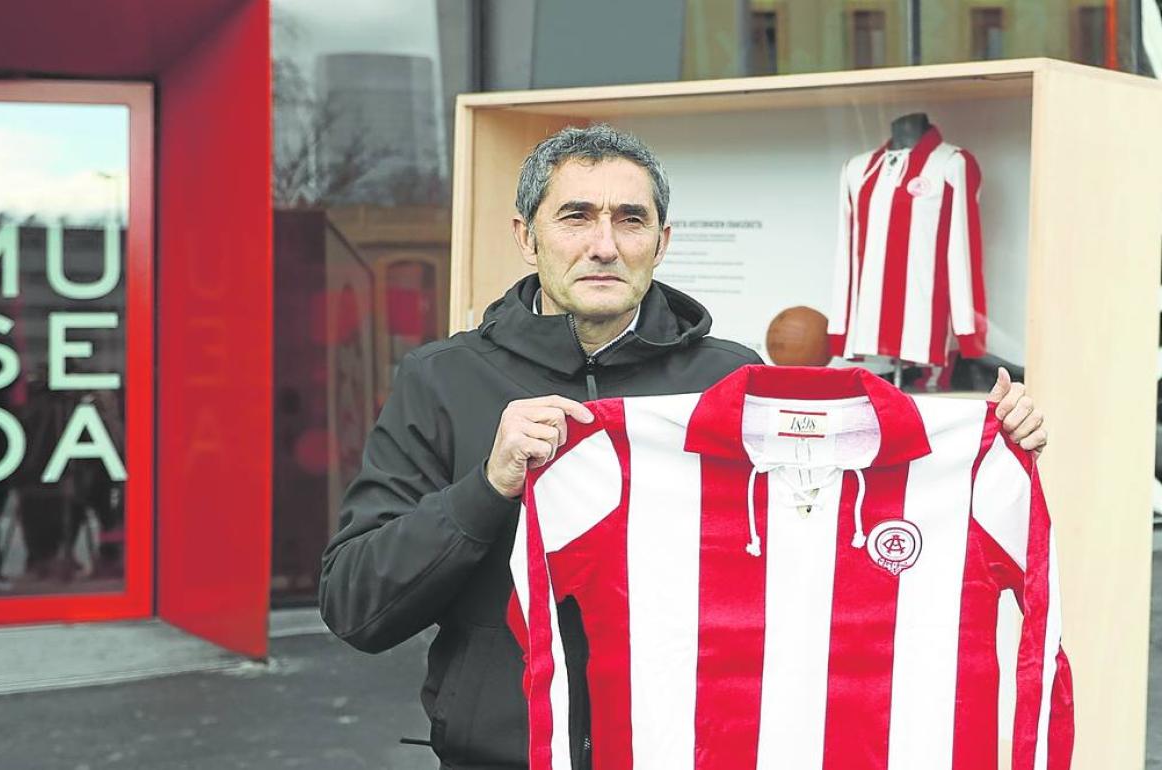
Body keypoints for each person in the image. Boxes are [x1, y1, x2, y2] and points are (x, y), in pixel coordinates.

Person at [318, 124, 1047, 769]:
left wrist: (987, 448)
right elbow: (357, 605)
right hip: (504, 754)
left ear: (661, 242)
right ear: (525, 234)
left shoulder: (734, 381)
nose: (604, 244)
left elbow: (837, 527)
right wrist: (488, 485)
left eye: (630, 220)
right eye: (576, 217)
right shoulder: (443, 381)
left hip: (699, 747)